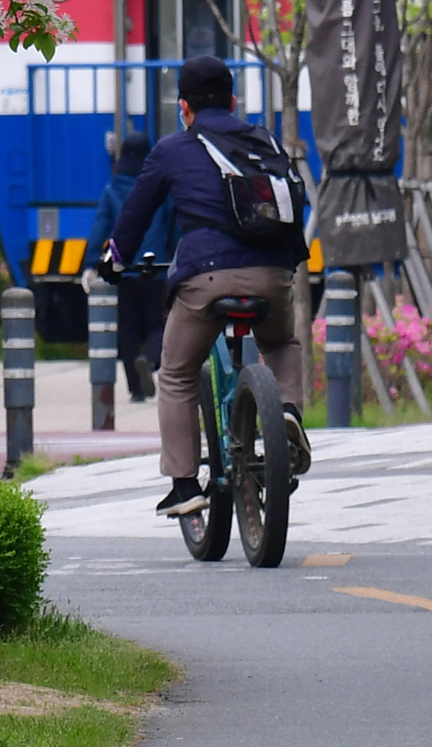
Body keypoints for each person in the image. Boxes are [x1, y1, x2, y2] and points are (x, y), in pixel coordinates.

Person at [101, 55, 310, 517]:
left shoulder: (173, 149)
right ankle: (289, 411)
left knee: (175, 375)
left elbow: (135, 213)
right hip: (274, 275)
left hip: (205, 278)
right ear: (233, 102)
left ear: (184, 108)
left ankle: (183, 485)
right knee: (280, 343)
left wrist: (113, 259)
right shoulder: (264, 141)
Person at [86, 129, 173, 401]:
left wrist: (91, 263)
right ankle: (150, 360)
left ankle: (136, 389)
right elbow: (176, 224)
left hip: (123, 268)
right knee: (157, 323)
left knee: (128, 328)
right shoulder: (161, 189)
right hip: (156, 266)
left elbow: (100, 228)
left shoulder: (112, 191)